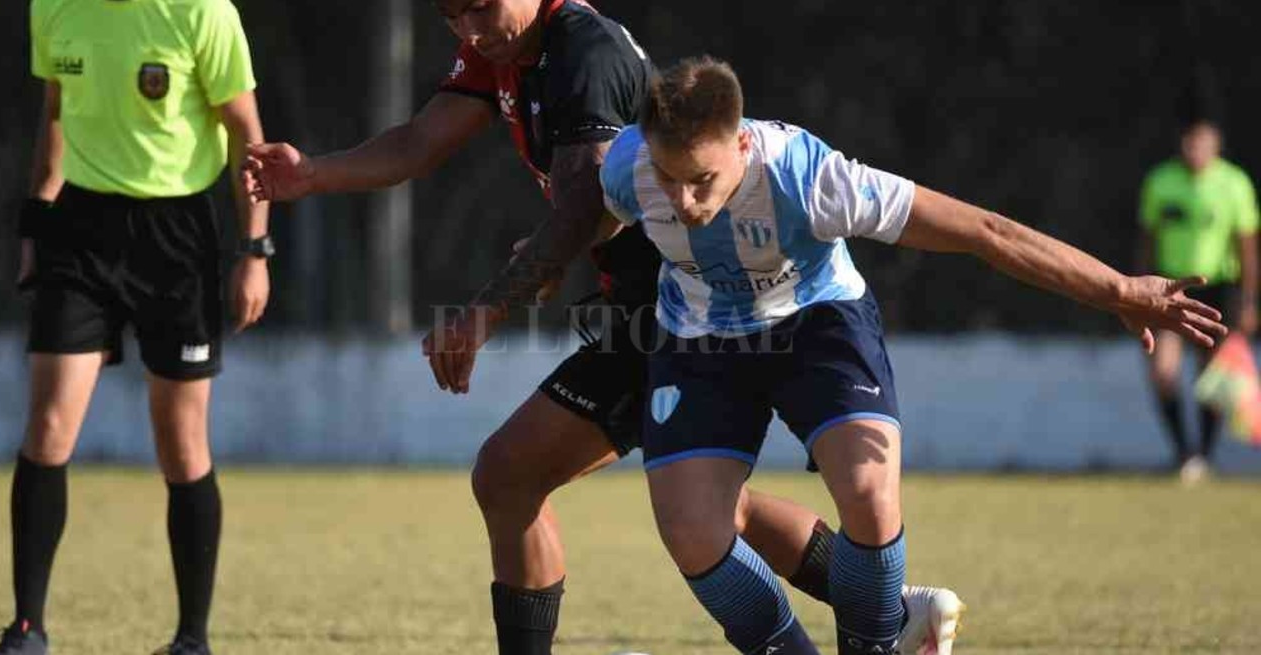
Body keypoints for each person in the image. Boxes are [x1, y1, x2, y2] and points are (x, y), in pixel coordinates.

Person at [241, 1, 960, 653]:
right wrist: (313, 173)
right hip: (644, 309)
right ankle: (894, 609)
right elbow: (419, 141)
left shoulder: (584, 53)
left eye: (480, 9)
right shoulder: (507, 47)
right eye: (451, 16)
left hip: (673, 313)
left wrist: (486, 310)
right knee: (697, 507)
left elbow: (583, 207)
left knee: (514, 475)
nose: (468, 30)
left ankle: (887, 611)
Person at [583, 56, 1225, 654]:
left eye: (702, 180)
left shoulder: (808, 177)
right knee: (692, 531)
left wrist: (1115, 289)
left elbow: (985, 232)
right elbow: (598, 215)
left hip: (816, 322)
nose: (684, 201)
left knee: (869, 494)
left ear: (742, 144)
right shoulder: (631, 167)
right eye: (668, 179)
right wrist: (548, 263)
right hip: (699, 338)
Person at [0, 0, 270, 653]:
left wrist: (255, 250)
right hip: (79, 231)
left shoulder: (202, 12)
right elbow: (55, 113)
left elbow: (246, 133)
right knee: (48, 427)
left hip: (177, 238)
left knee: (181, 443)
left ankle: (191, 639)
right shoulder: (54, 7)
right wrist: (36, 220)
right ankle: (27, 629)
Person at [1137, 117, 1258, 483]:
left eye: (1203, 144)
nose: (1195, 151)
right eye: (1190, 143)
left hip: (1217, 288)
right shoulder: (1161, 181)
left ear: (1216, 146)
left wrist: (1249, 301)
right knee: (1163, 372)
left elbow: (1247, 247)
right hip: (1171, 288)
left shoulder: (1234, 183)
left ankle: (1203, 456)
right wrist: (1136, 291)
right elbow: (1146, 240)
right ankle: (1183, 453)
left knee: (1210, 379)